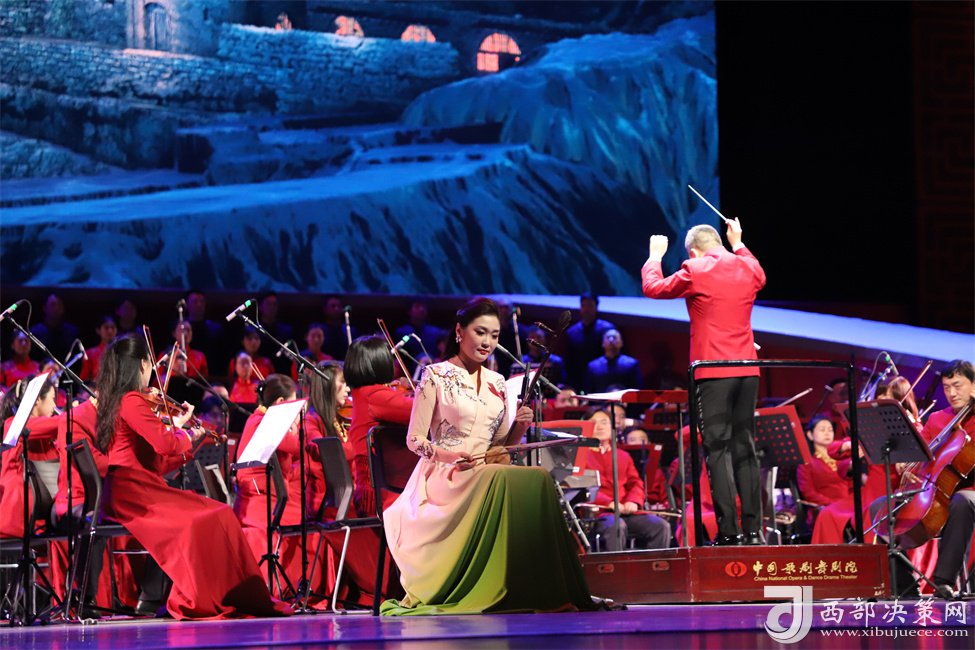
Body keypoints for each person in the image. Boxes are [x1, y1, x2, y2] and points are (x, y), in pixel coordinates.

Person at [381, 297, 594, 615]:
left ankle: (543, 588)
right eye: (480, 332)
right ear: (459, 332)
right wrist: (451, 456)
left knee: (539, 477)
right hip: (444, 475)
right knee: (500, 477)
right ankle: (489, 584)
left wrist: (519, 428)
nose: (487, 342)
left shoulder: (497, 382)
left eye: (494, 335)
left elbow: (499, 448)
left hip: (484, 470)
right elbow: (415, 440)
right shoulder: (435, 375)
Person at [95, 334, 291, 619]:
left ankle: (229, 593)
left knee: (220, 513)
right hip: (133, 495)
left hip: (138, 488)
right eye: (151, 363)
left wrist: (192, 439)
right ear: (141, 365)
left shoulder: (121, 401)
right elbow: (167, 444)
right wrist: (181, 431)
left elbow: (159, 462)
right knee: (203, 520)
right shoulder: (132, 401)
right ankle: (205, 597)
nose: (153, 370)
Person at [642, 218, 766, 545]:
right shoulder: (749, 267)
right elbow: (757, 270)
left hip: (713, 371)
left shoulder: (696, 269)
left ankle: (729, 532)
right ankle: (754, 532)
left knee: (718, 449)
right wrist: (738, 242)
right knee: (745, 448)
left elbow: (653, 288)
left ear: (694, 252)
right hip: (748, 369)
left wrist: (655, 256)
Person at [304, 361, 383, 608]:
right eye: (343, 383)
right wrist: (358, 444)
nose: (348, 389)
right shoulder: (311, 421)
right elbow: (325, 449)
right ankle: (373, 590)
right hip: (331, 504)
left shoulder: (340, 419)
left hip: (350, 501)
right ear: (328, 386)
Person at [911, 360, 975, 599]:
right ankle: (902, 585)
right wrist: (908, 463)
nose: (951, 393)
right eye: (947, 387)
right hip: (937, 489)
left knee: (962, 501)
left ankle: (943, 581)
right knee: (885, 508)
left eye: (957, 385)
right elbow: (922, 455)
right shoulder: (937, 418)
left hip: (970, 491)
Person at [234, 374, 303, 591]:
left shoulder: (259, 418)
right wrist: (297, 427)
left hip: (266, 492)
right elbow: (296, 447)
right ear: (281, 402)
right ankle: (296, 586)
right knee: (309, 519)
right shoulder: (263, 421)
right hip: (259, 498)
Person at [579, 409, 670, 551]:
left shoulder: (623, 456)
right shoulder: (581, 456)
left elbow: (636, 483)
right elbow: (583, 488)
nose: (600, 427)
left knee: (660, 526)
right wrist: (608, 503)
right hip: (598, 514)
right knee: (616, 525)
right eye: (594, 423)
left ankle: (655, 565)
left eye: (604, 422)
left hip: (625, 511)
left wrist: (632, 501)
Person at [344, 335, 414, 515]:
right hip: (381, 493)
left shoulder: (363, 393)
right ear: (380, 362)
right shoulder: (373, 396)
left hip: (382, 486)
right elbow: (417, 410)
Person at [0, 375, 58, 538]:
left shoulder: (45, 434)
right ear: (38, 399)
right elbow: (61, 423)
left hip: (41, 512)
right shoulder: (14, 424)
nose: (55, 405)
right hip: (18, 518)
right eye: (52, 399)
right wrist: (82, 412)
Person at [795, 416, 855, 544]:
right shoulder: (807, 462)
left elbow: (851, 485)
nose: (827, 433)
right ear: (810, 435)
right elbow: (808, 492)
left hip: (848, 505)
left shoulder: (843, 459)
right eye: (822, 429)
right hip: (824, 508)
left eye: (830, 429)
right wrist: (832, 503)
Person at [564, 293, 616, 389]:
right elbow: (569, 361)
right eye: (583, 305)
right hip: (578, 381)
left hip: (602, 380)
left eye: (590, 305)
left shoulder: (607, 329)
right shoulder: (572, 332)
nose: (586, 309)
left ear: (596, 307)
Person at [394, 299, 446, 372]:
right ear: (409, 311)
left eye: (423, 307)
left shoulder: (435, 332)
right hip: (410, 370)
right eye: (417, 307)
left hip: (433, 368)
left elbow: (441, 352)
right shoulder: (401, 332)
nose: (421, 309)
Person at [584, 329, 642, 394]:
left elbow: (637, 391)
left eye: (614, 337)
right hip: (599, 400)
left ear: (621, 343)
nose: (611, 340)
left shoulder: (632, 364)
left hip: (623, 400)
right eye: (608, 337)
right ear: (602, 343)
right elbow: (588, 391)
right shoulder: (593, 366)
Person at [29, 293, 80, 366]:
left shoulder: (72, 332)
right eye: (52, 305)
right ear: (45, 308)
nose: (56, 308)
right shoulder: (35, 332)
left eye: (59, 304)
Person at [80, 315, 118, 383]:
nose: (110, 331)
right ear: (98, 330)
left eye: (113, 327)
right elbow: (84, 380)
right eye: (106, 328)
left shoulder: (122, 352)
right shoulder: (90, 353)